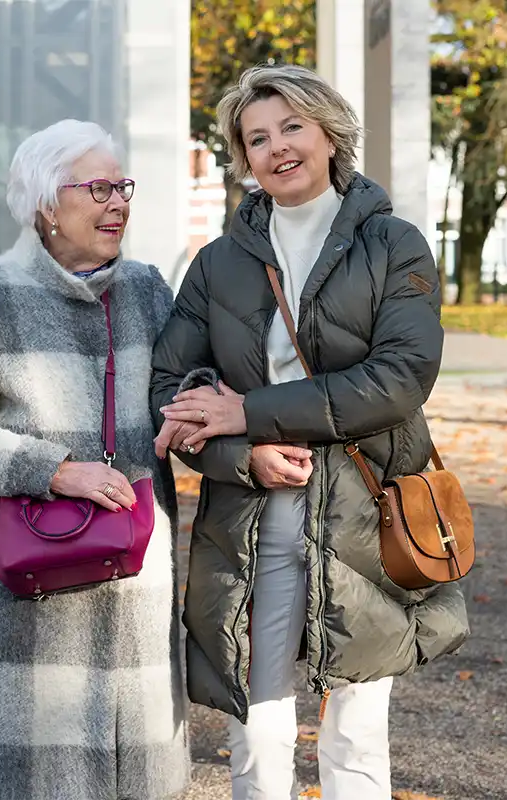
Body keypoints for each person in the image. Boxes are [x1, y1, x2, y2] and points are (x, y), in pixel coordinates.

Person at [149, 65, 470, 799]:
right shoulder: (218, 265)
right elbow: (168, 391)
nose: (277, 147)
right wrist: (242, 454)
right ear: (244, 159)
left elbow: (401, 378)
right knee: (257, 724)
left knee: (356, 729)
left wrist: (248, 411)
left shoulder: (394, 244)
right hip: (254, 518)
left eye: (292, 126)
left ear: (330, 133)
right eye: (256, 138)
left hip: (365, 509)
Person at [0, 119, 189, 800]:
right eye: (98, 187)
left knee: (136, 779)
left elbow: (185, 390)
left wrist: (208, 411)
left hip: (133, 593)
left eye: (122, 186)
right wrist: (55, 470)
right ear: (45, 202)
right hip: (29, 600)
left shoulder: (150, 291)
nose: (118, 201)